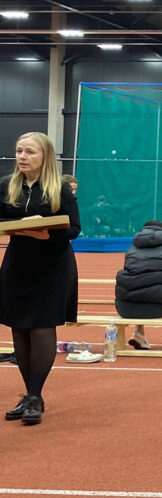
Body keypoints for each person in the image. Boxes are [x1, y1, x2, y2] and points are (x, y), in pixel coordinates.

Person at [1, 132, 80, 426]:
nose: (22, 156)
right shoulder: (6, 186)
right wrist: (19, 224)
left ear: (45, 156)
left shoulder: (60, 188)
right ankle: (31, 395)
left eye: (29, 152)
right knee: (19, 328)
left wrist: (47, 232)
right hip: (18, 264)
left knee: (42, 327)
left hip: (53, 265)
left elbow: (74, 228)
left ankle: (34, 395)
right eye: (19, 151)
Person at [114, 221, 162, 350]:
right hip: (158, 309)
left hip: (125, 308)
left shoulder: (131, 251)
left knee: (137, 285)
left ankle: (139, 333)